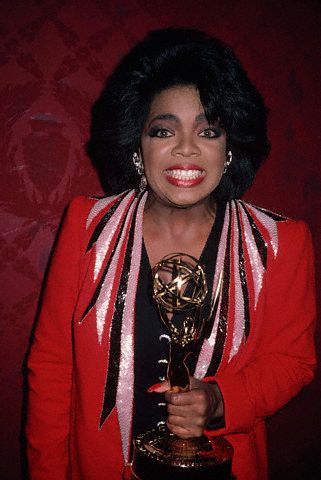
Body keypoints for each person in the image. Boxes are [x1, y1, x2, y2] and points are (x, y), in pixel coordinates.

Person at [26, 28, 316, 480]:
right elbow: (50, 371)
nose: (186, 148)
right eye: (164, 130)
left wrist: (223, 401)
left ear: (230, 146)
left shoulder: (282, 242)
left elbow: (293, 361)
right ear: (138, 146)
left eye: (209, 130)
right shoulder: (86, 227)